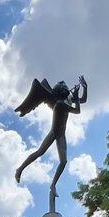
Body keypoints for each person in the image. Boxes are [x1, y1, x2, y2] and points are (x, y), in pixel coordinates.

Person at [14, 75, 88, 209]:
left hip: (61, 134)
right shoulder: (60, 104)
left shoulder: (68, 100)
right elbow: (77, 110)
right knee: (39, 153)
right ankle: (19, 169)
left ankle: (53, 184)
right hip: (54, 132)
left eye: (67, 87)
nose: (67, 88)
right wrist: (76, 97)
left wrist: (84, 88)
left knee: (63, 161)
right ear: (59, 92)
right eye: (64, 87)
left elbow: (83, 100)